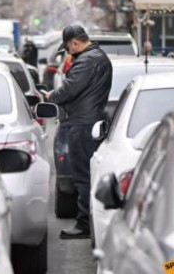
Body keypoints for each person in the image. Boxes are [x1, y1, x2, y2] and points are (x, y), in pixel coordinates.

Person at [46, 24, 112, 239]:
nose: (68, 53)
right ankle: (87, 221)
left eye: (67, 48)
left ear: (75, 43)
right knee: (85, 175)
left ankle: (84, 225)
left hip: (82, 125)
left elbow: (69, 89)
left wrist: (51, 96)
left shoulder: (87, 61)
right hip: (88, 122)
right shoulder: (96, 57)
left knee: (82, 177)